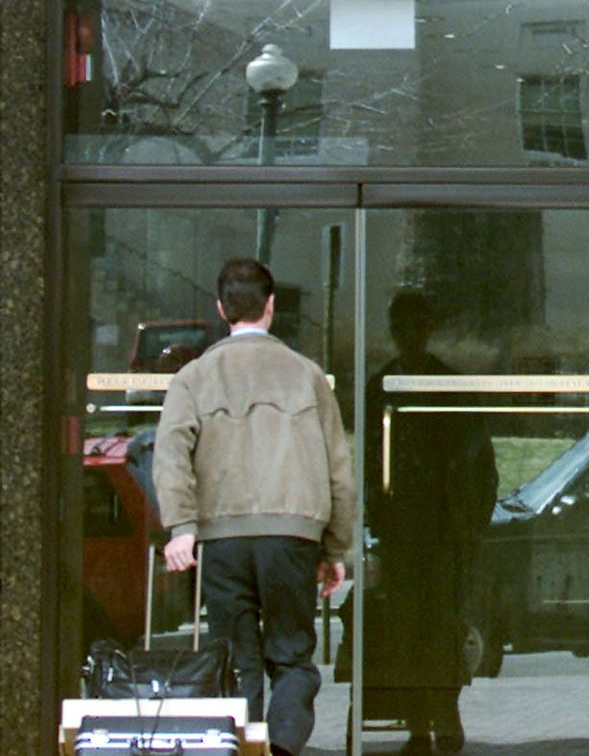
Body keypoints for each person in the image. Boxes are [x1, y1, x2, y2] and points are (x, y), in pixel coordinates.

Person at [153, 258, 354, 756]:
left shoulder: (194, 377)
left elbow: (170, 455)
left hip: (222, 538)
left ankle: (240, 747)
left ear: (222, 310)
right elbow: (339, 470)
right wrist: (334, 548)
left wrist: (182, 526)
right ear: (271, 306)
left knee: (235, 660)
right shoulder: (307, 376)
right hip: (293, 535)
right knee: (292, 658)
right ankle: (281, 746)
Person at [364, 289, 496, 753]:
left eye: (415, 326)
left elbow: (479, 462)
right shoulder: (384, 386)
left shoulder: (445, 385)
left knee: (441, 627)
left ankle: (443, 713)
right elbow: (371, 463)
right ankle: (422, 722)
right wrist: (376, 522)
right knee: (410, 630)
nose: (409, 336)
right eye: (402, 327)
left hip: (442, 530)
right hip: (404, 531)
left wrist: (471, 524)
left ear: (426, 329)